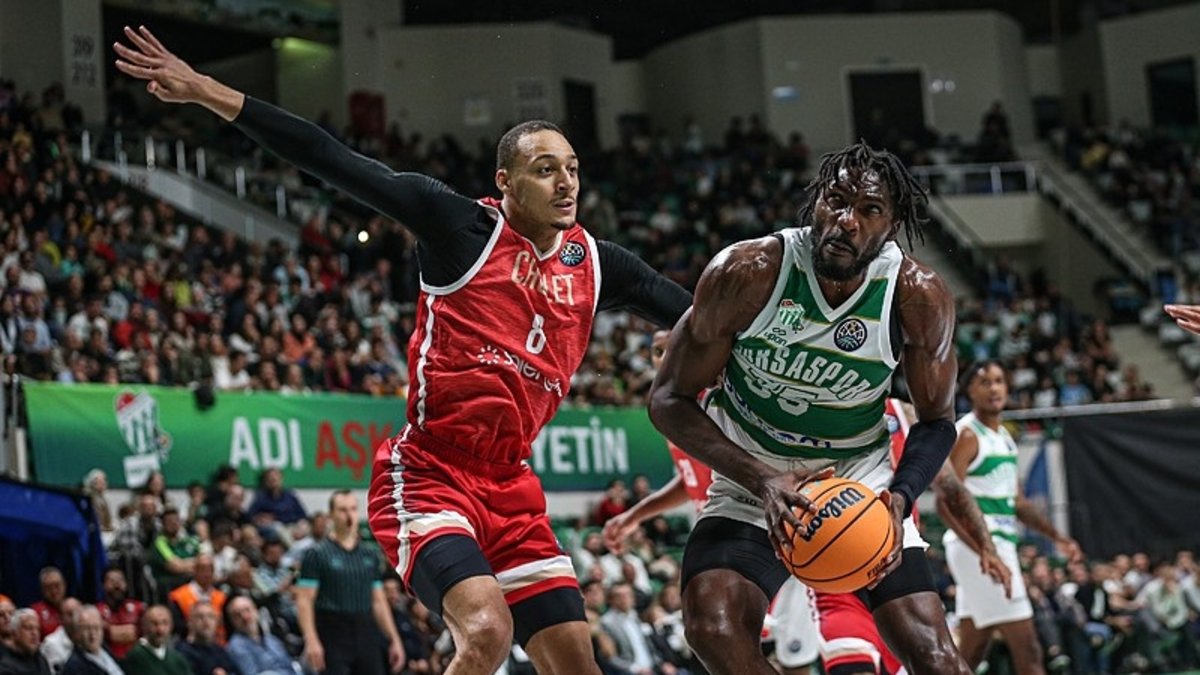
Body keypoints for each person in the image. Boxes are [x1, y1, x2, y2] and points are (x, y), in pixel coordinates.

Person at [115, 24, 690, 675]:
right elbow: (329, 156)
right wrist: (205, 90)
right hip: (429, 474)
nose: (566, 183)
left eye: (573, 169)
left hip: (512, 484)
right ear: (505, 181)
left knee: (577, 664)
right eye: (545, 169)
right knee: (486, 630)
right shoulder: (459, 226)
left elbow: (695, 312)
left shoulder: (597, 263)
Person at [649, 142, 971, 675]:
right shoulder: (747, 272)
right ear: (816, 201)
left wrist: (901, 496)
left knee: (937, 658)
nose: (846, 221)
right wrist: (762, 478)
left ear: (891, 226)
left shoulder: (917, 296)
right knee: (712, 629)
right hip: (754, 478)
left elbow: (937, 422)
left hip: (858, 482)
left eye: (869, 210)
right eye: (836, 200)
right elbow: (667, 400)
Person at [945, 360, 1084, 673]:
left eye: (999, 381)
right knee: (1029, 648)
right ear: (969, 391)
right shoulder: (967, 434)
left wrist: (1057, 537)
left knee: (972, 650)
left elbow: (1019, 503)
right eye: (985, 382)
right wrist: (985, 550)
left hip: (993, 548)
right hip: (981, 548)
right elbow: (945, 503)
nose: (994, 388)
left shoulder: (1005, 438)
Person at [294, 490, 404, 675]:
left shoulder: (369, 555)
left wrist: (394, 638)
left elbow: (378, 601)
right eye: (342, 510)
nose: (349, 515)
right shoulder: (317, 554)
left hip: (366, 630)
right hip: (332, 631)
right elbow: (304, 601)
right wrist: (311, 640)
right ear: (331, 515)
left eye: (353, 509)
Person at [226, 596, 293, 675]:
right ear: (233, 621)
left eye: (247, 610)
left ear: (256, 611)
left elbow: (290, 667)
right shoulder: (236, 646)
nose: (245, 617)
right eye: (238, 615)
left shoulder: (272, 640)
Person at [122, 605, 191, 675]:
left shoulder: (177, 659)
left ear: (171, 626)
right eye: (154, 624)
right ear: (144, 626)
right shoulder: (136, 656)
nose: (160, 629)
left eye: (165, 623)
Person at [175, 600, 239, 675]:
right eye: (199, 617)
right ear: (189, 622)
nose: (206, 621)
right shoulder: (181, 652)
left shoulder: (220, 651)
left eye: (210, 616)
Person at [97, 567, 144, 660]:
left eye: (120, 580)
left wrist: (110, 630)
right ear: (103, 585)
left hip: (137, 659)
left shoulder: (139, 608)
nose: (117, 584)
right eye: (111, 581)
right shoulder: (96, 612)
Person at [60, 606, 123, 675]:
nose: (93, 634)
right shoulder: (74, 667)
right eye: (87, 629)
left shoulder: (104, 648)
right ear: (77, 632)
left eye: (96, 628)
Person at [0, 609, 51, 675]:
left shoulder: (41, 660)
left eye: (37, 629)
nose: (35, 633)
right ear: (14, 633)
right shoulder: (6, 667)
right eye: (29, 628)